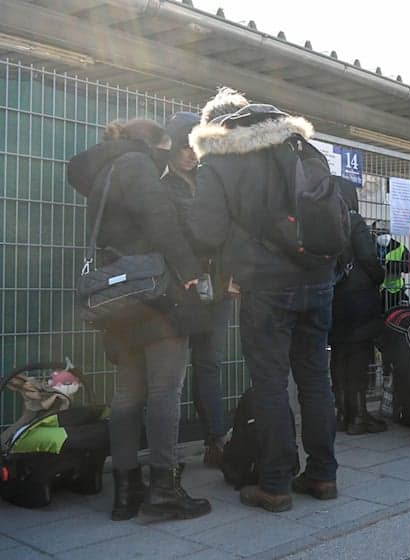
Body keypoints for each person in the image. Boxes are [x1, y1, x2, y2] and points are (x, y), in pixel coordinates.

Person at [191, 89, 339, 512]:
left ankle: (275, 484)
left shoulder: (221, 159)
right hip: (318, 280)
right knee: (315, 381)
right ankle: (323, 475)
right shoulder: (307, 150)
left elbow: (206, 230)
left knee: (270, 384)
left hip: (266, 286)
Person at [67, 118, 210, 520]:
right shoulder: (137, 163)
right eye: (166, 150)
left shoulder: (104, 173)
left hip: (119, 298)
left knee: (128, 395)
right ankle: (164, 488)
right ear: (154, 147)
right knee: (165, 390)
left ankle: (126, 491)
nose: (169, 159)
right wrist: (189, 268)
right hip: (155, 296)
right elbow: (159, 218)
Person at [162, 111, 231, 468]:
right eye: (182, 146)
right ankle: (166, 454)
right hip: (181, 289)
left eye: (195, 146)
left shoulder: (208, 182)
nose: (190, 153)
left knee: (209, 365)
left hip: (215, 288)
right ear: (170, 147)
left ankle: (215, 441)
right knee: (170, 372)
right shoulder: (163, 185)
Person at [331, 181, 387, 435]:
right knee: (358, 355)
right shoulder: (354, 220)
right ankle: (359, 415)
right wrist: (378, 276)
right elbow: (368, 258)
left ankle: (342, 413)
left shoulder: (323, 220)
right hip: (358, 299)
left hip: (333, 297)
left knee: (338, 354)